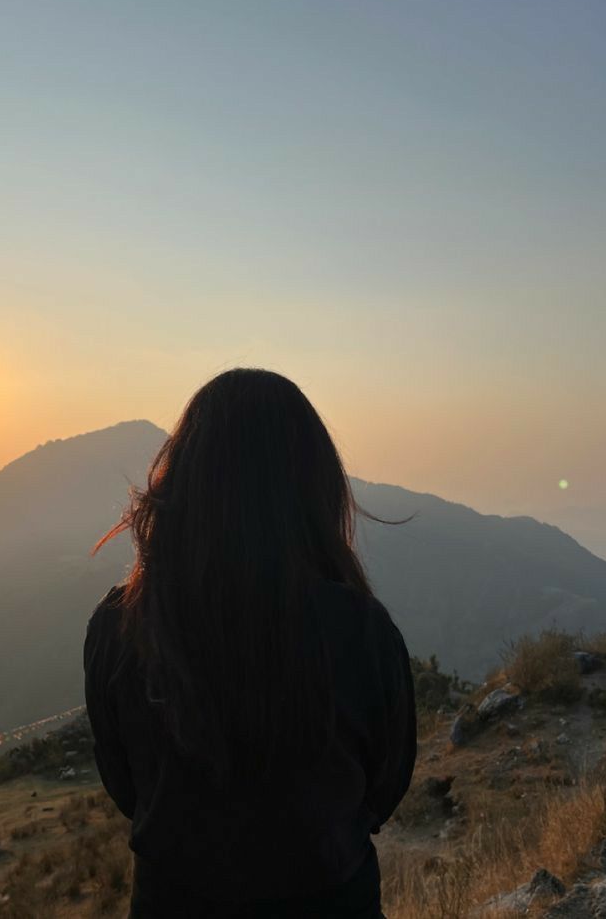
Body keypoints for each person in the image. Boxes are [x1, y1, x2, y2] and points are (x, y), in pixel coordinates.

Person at [84, 368, 417, 918]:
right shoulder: (361, 631)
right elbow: (383, 788)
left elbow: (127, 787)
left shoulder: (122, 625)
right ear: (313, 485)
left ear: (183, 480)